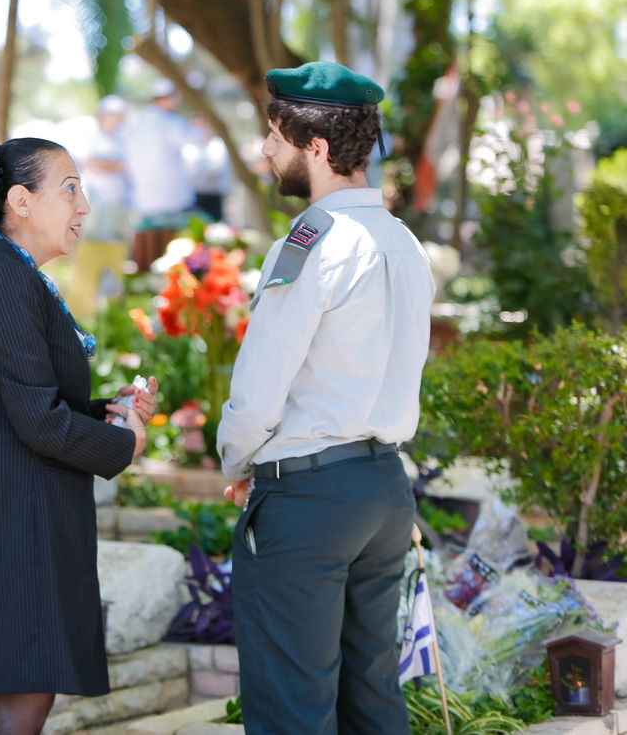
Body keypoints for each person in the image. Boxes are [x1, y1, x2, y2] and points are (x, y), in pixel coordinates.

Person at [217, 61, 435, 735]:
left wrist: (236, 460)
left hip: (310, 501)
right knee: (371, 697)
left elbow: (261, 383)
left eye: (274, 135)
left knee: (292, 707)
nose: (264, 150)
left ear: (314, 146)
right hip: (384, 489)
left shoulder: (311, 242)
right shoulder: (404, 244)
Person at [0, 138, 157, 735]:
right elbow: (38, 421)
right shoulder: (4, 281)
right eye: (70, 188)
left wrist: (107, 410)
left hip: (0, 502)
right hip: (16, 515)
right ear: (21, 202)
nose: (84, 206)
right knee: (18, 703)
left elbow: (19, 400)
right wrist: (125, 445)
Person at [67, 95, 132, 318]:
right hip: (94, 206)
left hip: (118, 208)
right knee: (87, 252)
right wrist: (111, 165)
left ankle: (111, 310)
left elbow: (124, 166)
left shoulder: (125, 141)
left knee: (114, 255)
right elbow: (91, 163)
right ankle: (81, 311)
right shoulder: (89, 138)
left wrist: (107, 165)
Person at [124, 77, 196, 271]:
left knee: (145, 263)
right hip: (171, 202)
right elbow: (196, 140)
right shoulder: (171, 122)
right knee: (170, 263)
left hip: (145, 201)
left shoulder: (137, 121)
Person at [182, 113, 233, 223]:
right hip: (194, 197)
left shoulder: (217, 145)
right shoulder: (189, 148)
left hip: (213, 196)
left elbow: (213, 172)